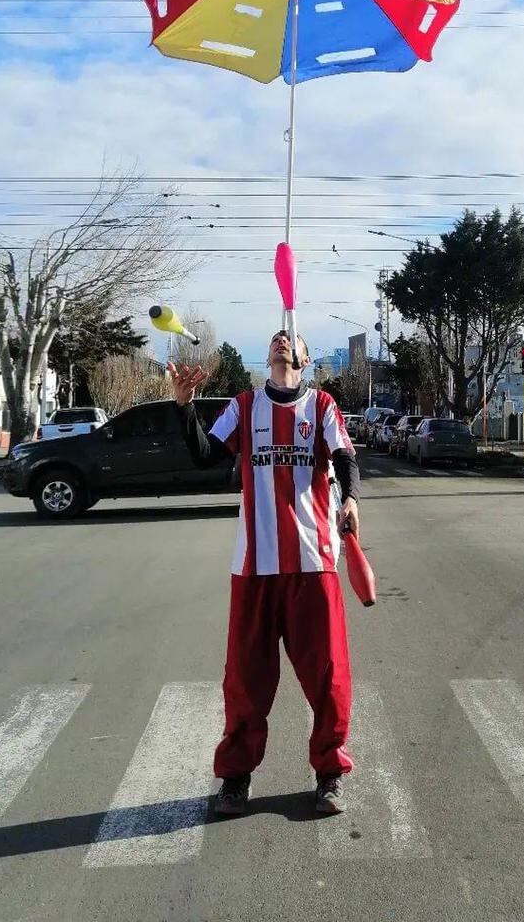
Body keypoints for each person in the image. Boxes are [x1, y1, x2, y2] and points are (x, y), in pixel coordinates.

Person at [168, 329, 360, 818]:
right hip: (254, 567)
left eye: (291, 338)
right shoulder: (245, 404)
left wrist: (352, 500)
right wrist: (184, 405)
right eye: (275, 338)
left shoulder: (321, 406)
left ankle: (329, 774)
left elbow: (344, 457)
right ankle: (235, 778)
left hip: (313, 564)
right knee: (246, 677)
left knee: (328, 673)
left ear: (305, 357)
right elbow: (205, 454)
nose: (281, 341)